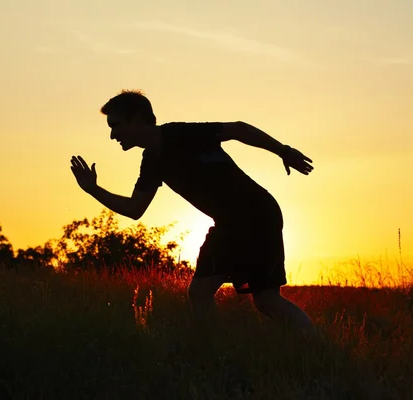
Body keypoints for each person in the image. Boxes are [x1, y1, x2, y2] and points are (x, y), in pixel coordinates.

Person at [70, 89, 317, 335]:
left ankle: (214, 353)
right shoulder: (152, 161)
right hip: (232, 222)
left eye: (116, 125)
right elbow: (135, 209)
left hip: (256, 214)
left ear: (136, 119)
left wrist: (283, 151)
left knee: (240, 297)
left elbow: (238, 129)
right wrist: (93, 189)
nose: (113, 135)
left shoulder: (181, 133)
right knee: (253, 300)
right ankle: (216, 353)